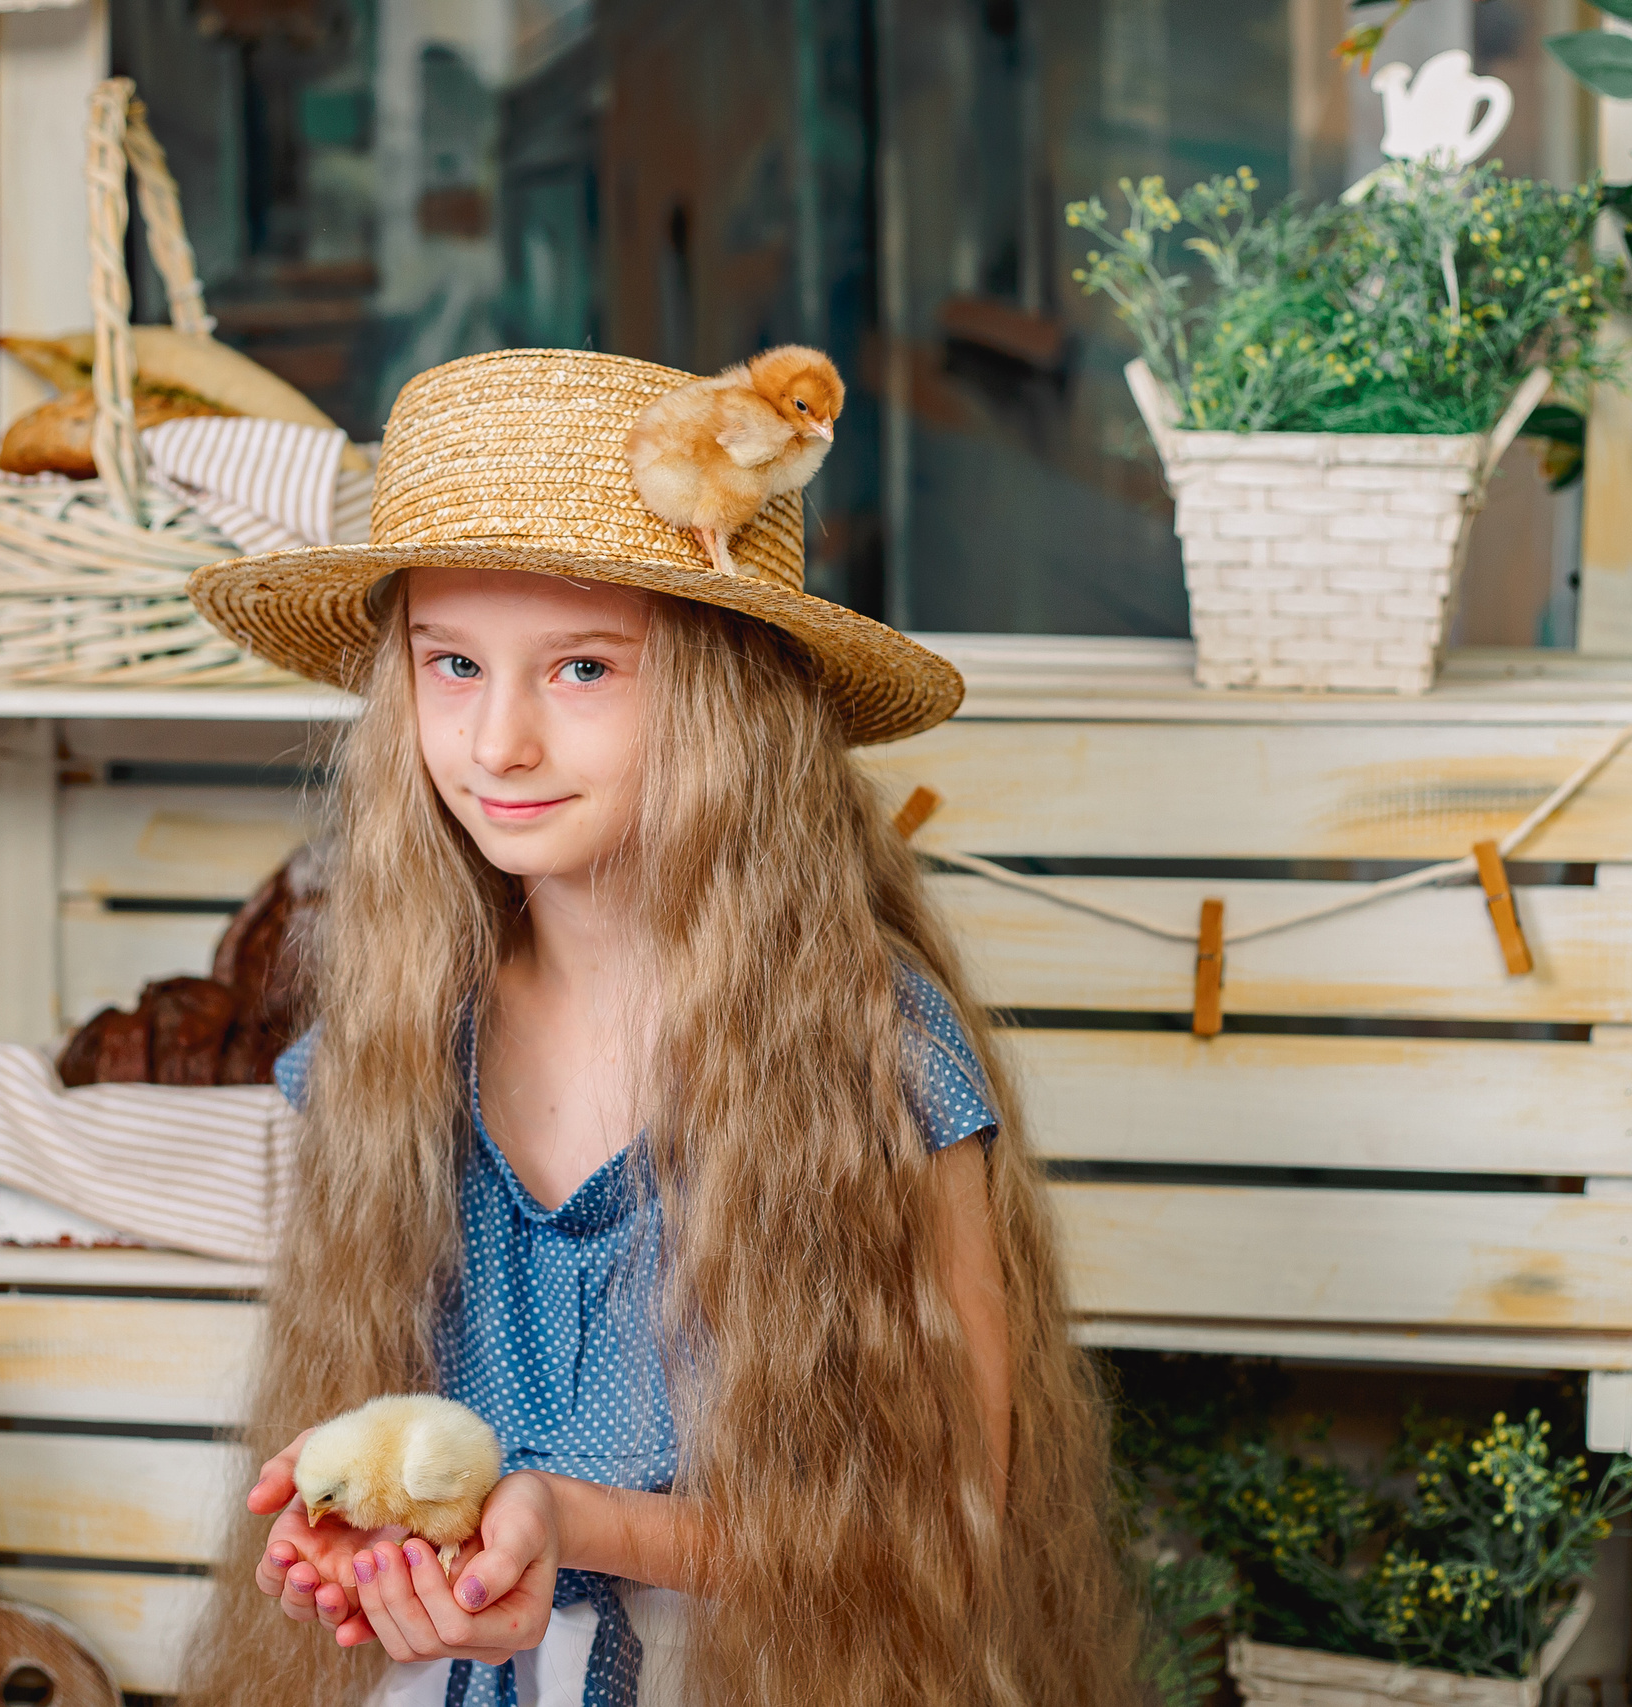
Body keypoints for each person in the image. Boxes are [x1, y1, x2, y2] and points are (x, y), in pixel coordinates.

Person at [179, 349, 1126, 1707]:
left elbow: (947, 1538)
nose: (497, 742)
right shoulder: (388, 1048)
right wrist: (379, 1547)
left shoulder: (872, 1055)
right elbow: (415, 1461)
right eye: (451, 662)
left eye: (580, 669)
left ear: (731, 699)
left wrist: (571, 1524)